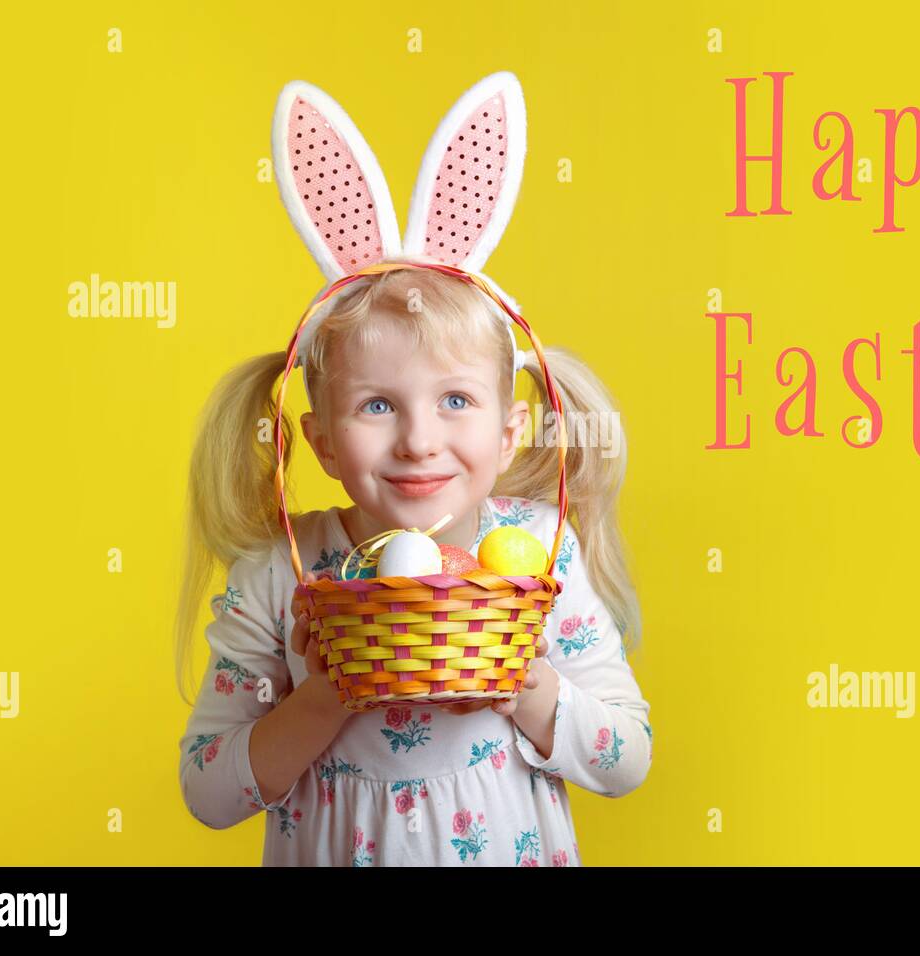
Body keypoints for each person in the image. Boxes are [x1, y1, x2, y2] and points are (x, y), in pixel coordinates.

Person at [173, 72, 651, 865]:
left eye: (456, 400)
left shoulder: (538, 557)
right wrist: (324, 697)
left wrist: (524, 689)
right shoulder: (280, 574)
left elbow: (626, 757)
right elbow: (207, 791)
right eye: (377, 406)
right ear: (321, 439)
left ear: (510, 432)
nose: (419, 440)